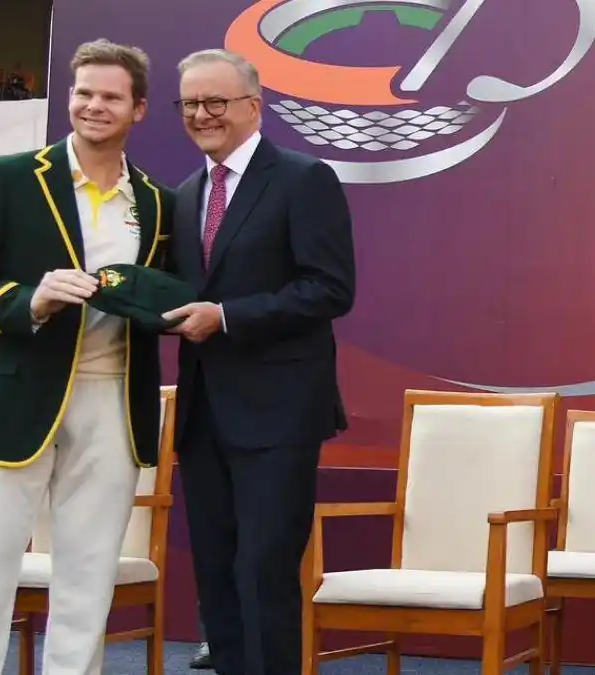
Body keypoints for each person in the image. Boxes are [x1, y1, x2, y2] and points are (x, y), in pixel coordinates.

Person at [0, 39, 174, 674]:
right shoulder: (6, 177)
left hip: (113, 400)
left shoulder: (156, 201)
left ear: (139, 109)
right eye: (83, 93)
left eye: (111, 97)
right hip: (9, 396)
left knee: (89, 575)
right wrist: (30, 301)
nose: (93, 106)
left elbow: (165, 292)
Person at [166, 48, 356, 675]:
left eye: (215, 101)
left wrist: (226, 316)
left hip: (278, 417)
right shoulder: (185, 195)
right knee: (216, 576)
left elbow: (330, 289)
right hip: (203, 416)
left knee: (264, 573)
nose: (202, 114)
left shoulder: (304, 178)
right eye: (190, 103)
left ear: (254, 106)